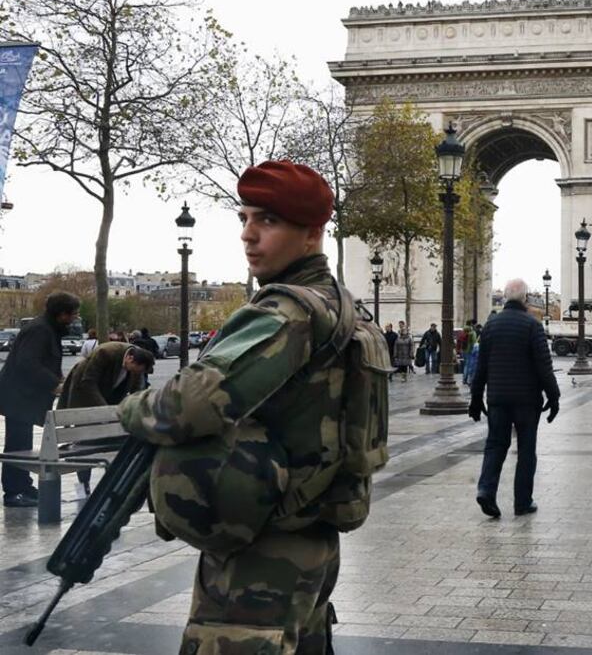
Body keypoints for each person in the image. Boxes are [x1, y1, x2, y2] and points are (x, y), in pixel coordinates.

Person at [117, 159, 363, 653]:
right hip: (310, 536)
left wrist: (131, 406)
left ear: (313, 233)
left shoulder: (286, 312)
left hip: (261, 550)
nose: (248, 235)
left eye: (267, 221)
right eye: (244, 218)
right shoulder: (340, 305)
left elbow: (186, 407)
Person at [470, 278, 559, 519]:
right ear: (525, 298)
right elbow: (544, 366)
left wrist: (476, 398)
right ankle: (522, 502)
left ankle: (486, 490)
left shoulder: (490, 325)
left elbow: (481, 367)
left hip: (498, 399)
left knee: (495, 445)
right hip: (527, 401)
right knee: (526, 450)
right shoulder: (532, 325)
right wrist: (554, 396)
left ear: (506, 297)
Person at [0, 292, 80, 508]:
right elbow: (28, 363)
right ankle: (14, 492)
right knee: (17, 445)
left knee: (21, 443)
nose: (74, 318)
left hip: (22, 396)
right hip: (19, 397)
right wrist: (55, 383)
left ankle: (23, 487)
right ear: (61, 313)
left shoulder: (46, 328)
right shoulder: (40, 330)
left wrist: (57, 378)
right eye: (72, 314)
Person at [58, 342, 155, 498]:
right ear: (130, 359)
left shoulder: (136, 365)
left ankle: (112, 483)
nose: (137, 374)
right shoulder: (106, 353)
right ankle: (83, 487)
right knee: (84, 441)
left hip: (109, 395)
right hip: (83, 393)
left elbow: (137, 389)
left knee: (116, 438)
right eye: (136, 370)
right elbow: (88, 382)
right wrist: (105, 412)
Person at [462, 319, 478, 386]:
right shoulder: (472, 332)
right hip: (470, 350)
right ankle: (468, 379)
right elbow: (474, 342)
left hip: (464, 349)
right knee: (469, 366)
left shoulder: (463, 330)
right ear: (471, 324)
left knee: (466, 364)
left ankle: (464, 379)